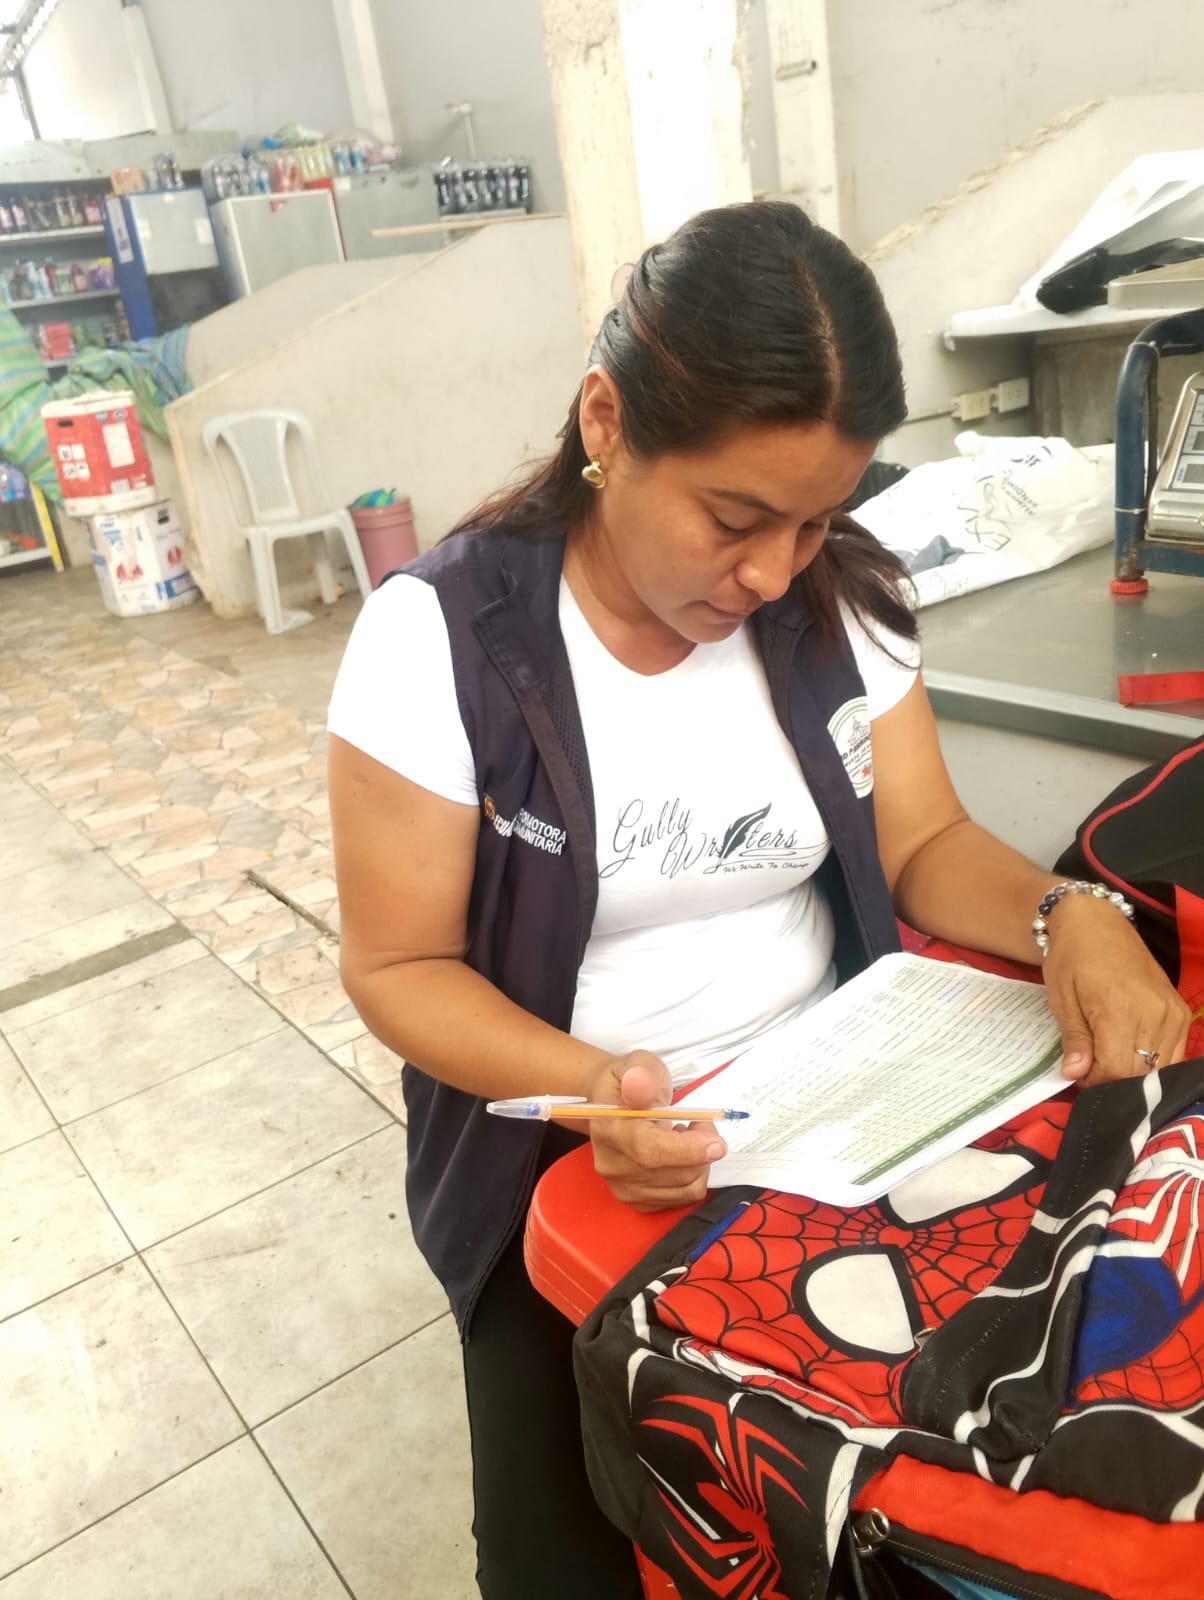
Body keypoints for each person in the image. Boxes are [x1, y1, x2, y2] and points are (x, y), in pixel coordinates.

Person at [326, 202, 1191, 1600]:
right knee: (565, 1557)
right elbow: (398, 967)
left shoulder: (843, 603)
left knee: (901, 1495)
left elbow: (924, 843)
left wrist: (1066, 912)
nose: (774, 573)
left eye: (815, 521)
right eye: (734, 520)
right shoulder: (443, 643)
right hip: (571, 1161)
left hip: (835, 1120)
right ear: (606, 423)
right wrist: (599, 1091)